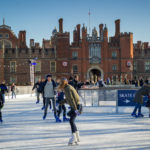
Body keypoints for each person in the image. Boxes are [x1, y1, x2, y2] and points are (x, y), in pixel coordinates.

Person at [58, 78, 82, 145]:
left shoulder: (67, 89)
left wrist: (75, 109)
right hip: (76, 105)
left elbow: (71, 99)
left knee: (71, 121)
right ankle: (77, 137)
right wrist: (61, 102)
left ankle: (74, 137)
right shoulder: (68, 87)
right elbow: (68, 99)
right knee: (72, 120)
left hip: (76, 106)